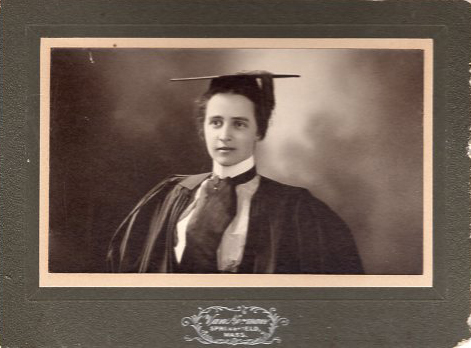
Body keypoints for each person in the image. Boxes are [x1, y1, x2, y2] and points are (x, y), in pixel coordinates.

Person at [107, 71, 364, 274]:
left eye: (239, 124)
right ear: (203, 128)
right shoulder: (170, 197)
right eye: (216, 122)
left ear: (259, 131)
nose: (225, 135)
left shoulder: (296, 210)